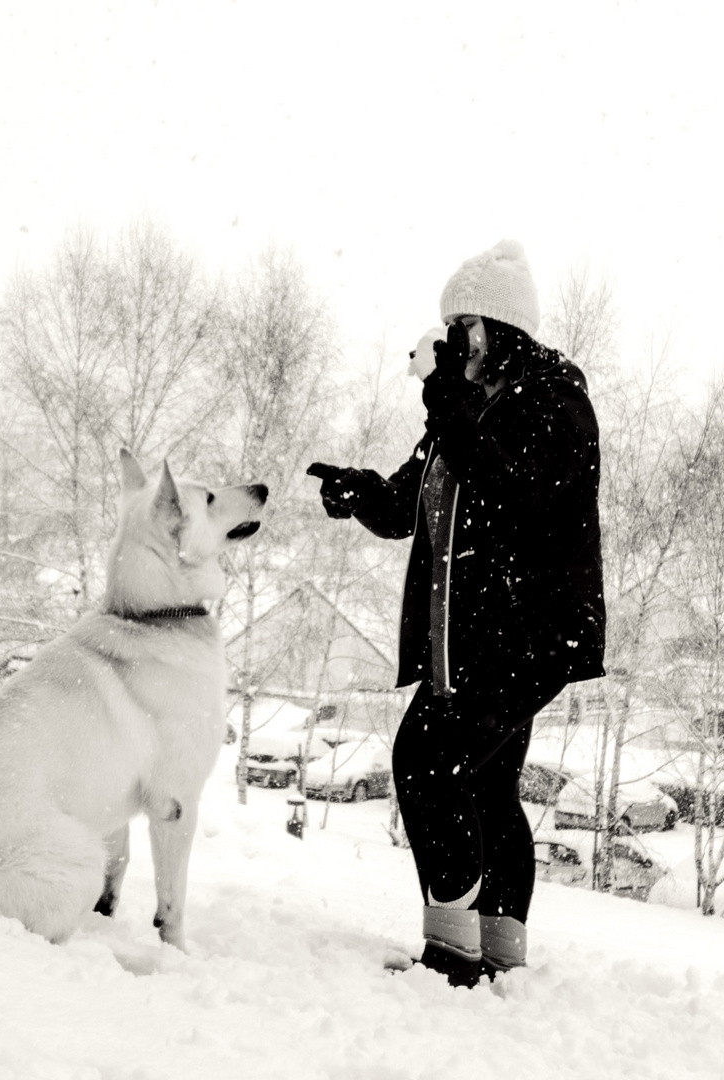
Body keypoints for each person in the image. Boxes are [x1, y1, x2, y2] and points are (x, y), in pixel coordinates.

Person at [307, 240, 605, 987]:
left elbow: (517, 495)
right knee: (486, 786)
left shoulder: (554, 398)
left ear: (501, 327)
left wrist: (451, 408)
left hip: (524, 638)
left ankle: (451, 953)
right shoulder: (469, 408)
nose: (450, 344)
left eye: (463, 327)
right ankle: (499, 952)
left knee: (426, 764)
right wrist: (360, 493)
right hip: (470, 640)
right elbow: (414, 498)